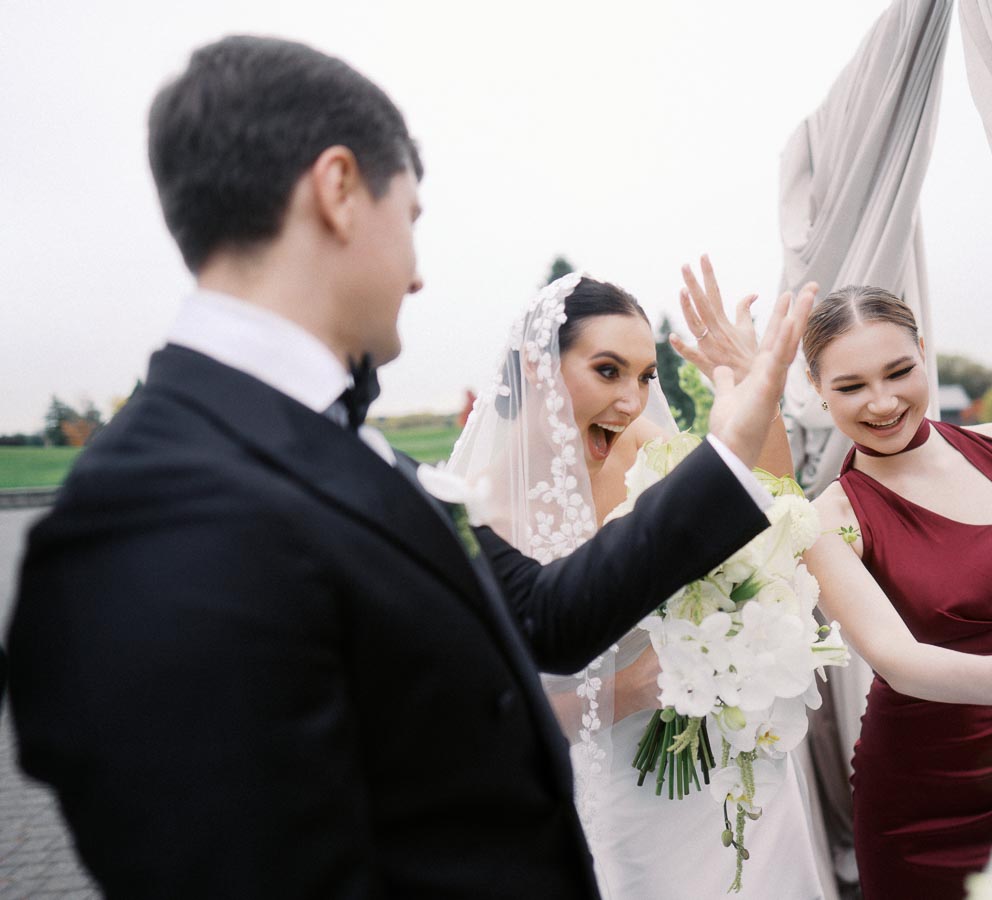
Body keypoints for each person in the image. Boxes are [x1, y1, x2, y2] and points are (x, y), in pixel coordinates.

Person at [4, 35, 812, 899]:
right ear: (340, 189)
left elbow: (545, 615)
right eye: (413, 217)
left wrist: (728, 449)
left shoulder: (343, 443)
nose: (421, 275)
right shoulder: (151, 512)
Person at [442, 264, 824, 898]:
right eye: (608, 370)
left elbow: (770, 504)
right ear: (537, 367)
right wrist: (628, 690)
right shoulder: (478, 521)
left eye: (646, 376)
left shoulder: (641, 444)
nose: (633, 400)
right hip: (619, 801)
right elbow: (483, 714)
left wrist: (762, 391)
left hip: (723, 776)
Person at [800, 285, 992, 899]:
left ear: (923, 350)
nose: (883, 403)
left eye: (899, 372)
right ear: (817, 389)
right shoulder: (827, 517)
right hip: (927, 797)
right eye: (851, 386)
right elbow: (897, 660)